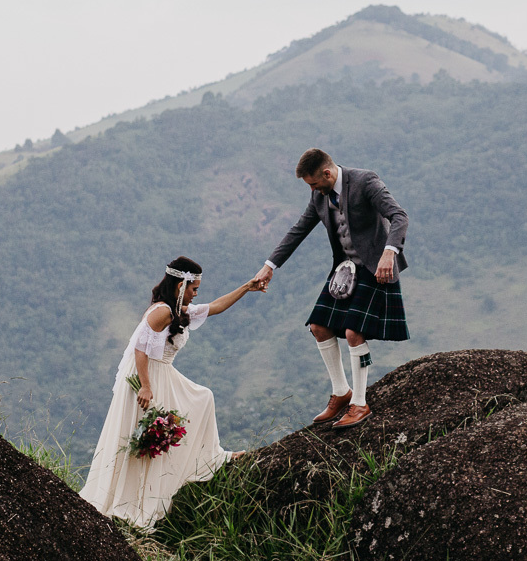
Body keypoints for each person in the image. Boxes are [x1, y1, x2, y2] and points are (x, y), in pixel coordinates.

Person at [80, 256, 263, 527]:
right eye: (194, 288)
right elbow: (140, 349)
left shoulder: (179, 310)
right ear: (180, 286)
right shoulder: (162, 311)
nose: (196, 293)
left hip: (163, 373)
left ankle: (213, 456)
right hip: (148, 376)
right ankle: (132, 499)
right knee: (147, 436)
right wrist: (145, 386)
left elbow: (215, 307)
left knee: (202, 399)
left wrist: (246, 287)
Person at [254, 148, 409, 429]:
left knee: (353, 332)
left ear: (327, 173)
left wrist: (390, 251)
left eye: (313, 183)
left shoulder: (365, 181)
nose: (312, 190)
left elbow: (399, 216)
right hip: (346, 270)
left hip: (375, 267)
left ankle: (359, 403)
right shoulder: (319, 195)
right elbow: (298, 230)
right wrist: (269, 266)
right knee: (318, 326)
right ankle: (341, 392)